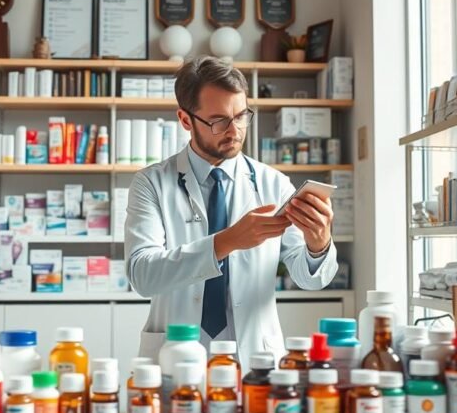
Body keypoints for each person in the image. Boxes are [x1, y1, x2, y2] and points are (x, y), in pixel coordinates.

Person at [125, 56, 338, 369]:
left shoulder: (273, 184)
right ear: (185, 120)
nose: (235, 130)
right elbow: (142, 275)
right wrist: (226, 241)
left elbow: (310, 280)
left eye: (241, 116)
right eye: (218, 120)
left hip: (255, 359)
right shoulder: (151, 183)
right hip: (177, 358)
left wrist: (318, 243)